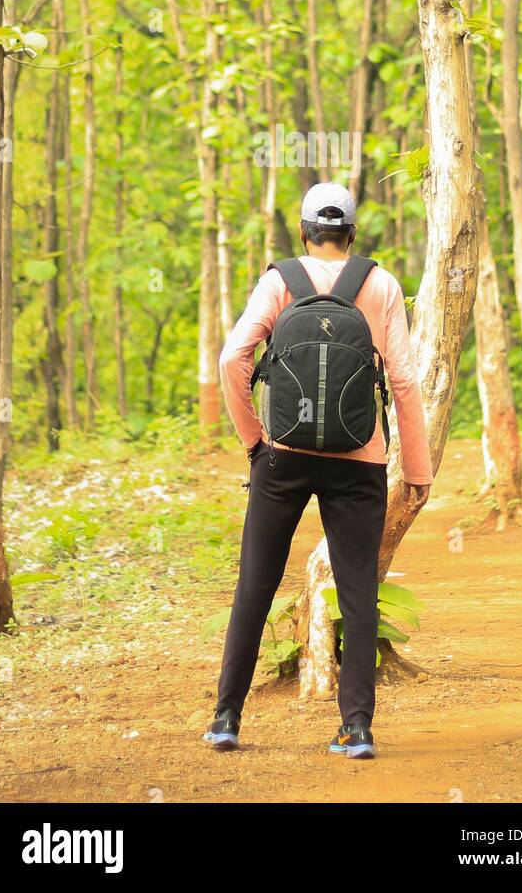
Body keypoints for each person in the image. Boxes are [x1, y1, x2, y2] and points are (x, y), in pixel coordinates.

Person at [202, 182, 433, 759]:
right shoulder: (380, 284)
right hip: (360, 459)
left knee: (255, 585)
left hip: (284, 455)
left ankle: (227, 718)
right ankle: (357, 728)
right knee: (358, 593)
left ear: (304, 232)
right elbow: (402, 380)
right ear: (351, 234)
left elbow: (234, 359)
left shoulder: (280, 280)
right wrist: (418, 469)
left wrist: (254, 439)